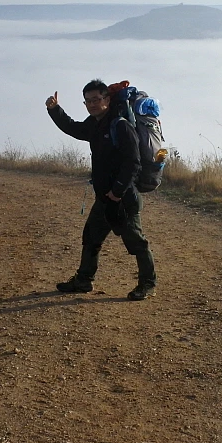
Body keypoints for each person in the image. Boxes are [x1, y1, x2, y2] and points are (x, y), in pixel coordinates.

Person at [45, 79, 157, 300]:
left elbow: (132, 163)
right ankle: (83, 280)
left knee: (136, 242)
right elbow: (73, 128)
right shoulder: (95, 124)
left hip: (123, 197)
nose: (92, 104)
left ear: (107, 99)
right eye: (88, 101)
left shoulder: (120, 125)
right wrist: (55, 110)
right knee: (91, 237)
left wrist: (117, 191)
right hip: (105, 198)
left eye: (96, 99)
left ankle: (147, 283)